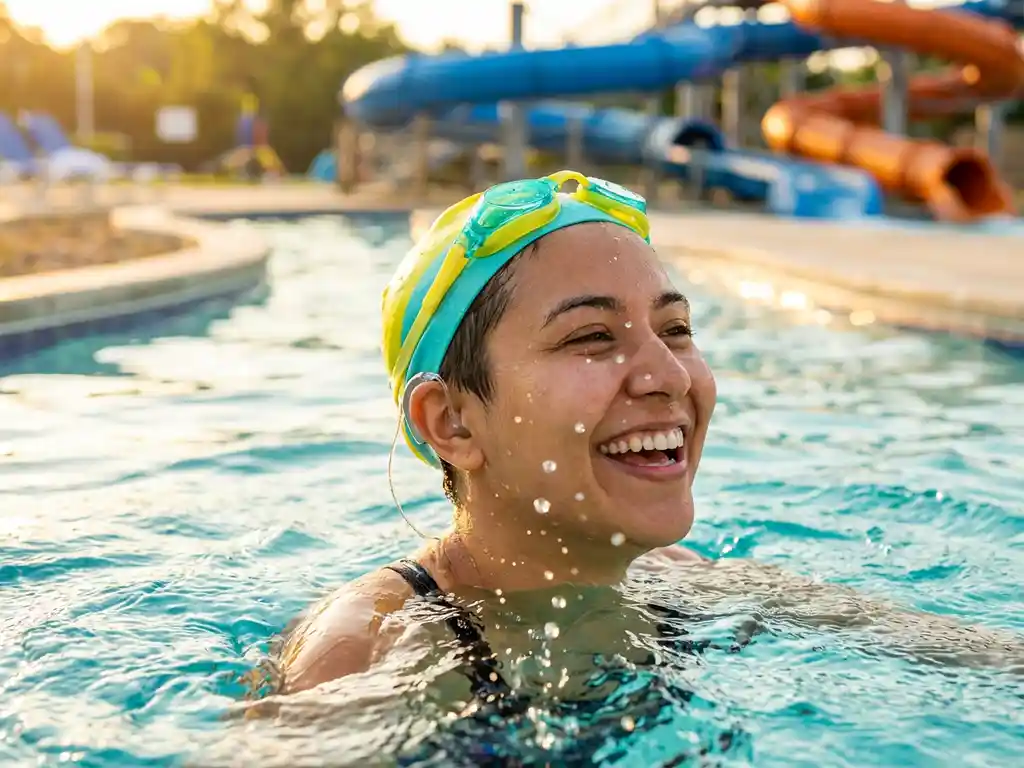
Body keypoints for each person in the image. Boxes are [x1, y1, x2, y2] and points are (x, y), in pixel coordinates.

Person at [273, 170, 1022, 705]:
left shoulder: (678, 578)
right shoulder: (366, 656)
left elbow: (971, 658)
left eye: (677, 329)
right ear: (452, 421)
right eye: (593, 337)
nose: (666, 372)